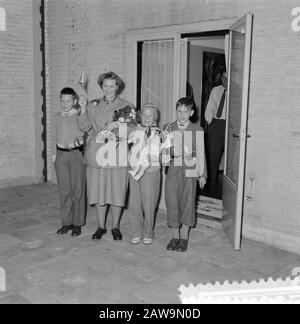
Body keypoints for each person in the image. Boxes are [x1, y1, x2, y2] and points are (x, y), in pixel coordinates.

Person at [77, 71, 135, 241]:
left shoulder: (127, 106)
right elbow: (84, 127)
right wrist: (82, 109)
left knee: (117, 192)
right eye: (105, 86)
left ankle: (115, 226)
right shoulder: (93, 105)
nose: (108, 89)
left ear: (117, 86)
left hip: (117, 154)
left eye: (112, 86)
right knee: (99, 192)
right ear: (101, 86)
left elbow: (131, 131)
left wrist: (115, 126)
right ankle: (101, 226)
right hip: (97, 154)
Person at [163, 97, 207, 252]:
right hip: (174, 167)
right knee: (172, 201)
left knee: (188, 201)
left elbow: (201, 152)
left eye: (185, 111)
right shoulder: (168, 127)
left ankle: (184, 237)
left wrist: (202, 174)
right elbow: (164, 149)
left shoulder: (197, 129)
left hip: (190, 166)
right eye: (179, 111)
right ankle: (175, 236)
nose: (182, 115)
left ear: (191, 112)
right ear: (176, 111)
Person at [52, 87, 86, 237]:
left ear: (74, 101)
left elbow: (86, 128)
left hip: (76, 155)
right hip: (61, 156)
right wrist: (54, 155)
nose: (65, 104)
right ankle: (66, 223)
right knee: (64, 191)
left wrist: (83, 109)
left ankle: (77, 224)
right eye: (62, 100)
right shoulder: (56, 117)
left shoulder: (79, 115)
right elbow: (53, 135)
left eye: (68, 100)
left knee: (77, 190)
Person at [127, 104, 162, 245]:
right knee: (134, 203)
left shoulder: (159, 132)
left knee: (149, 203)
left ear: (155, 117)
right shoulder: (135, 129)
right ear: (140, 116)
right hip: (134, 170)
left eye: (150, 115)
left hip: (150, 171)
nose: (147, 118)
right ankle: (136, 232)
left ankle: (148, 232)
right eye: (144, 115)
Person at [204, 70, 227, 187]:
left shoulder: (237, 90)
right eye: (223, 77)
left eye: (227, 78)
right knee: (213, 154)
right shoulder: (216, 90)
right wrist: (210, 122)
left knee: (232, 155)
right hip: (216, 124)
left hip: (230, 124)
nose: (225, 80)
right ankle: (211, 181)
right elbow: (210, 107)